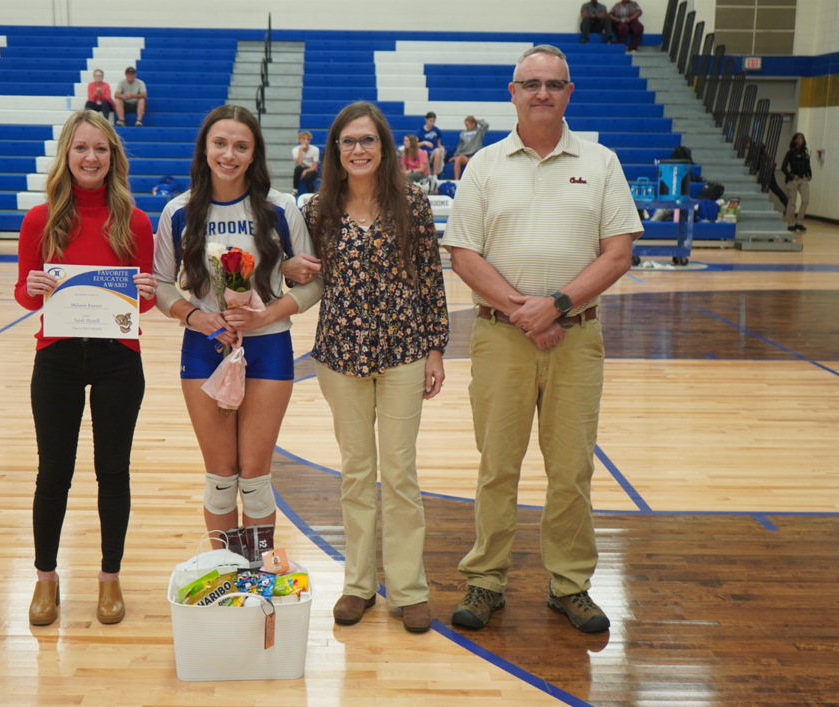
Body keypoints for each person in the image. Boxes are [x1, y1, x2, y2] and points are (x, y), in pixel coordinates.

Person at [444, 45, 642, 634]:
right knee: (497, 466)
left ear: (569, 93)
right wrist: (523, 311)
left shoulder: (601, 162)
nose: (542, 93)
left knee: (572, 469)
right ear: (512, 92)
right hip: (500, 337)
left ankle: (570, 584)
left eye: (553, 84)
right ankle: (486, 579)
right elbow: (462, 254)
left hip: (576, 338)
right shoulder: (484, 165)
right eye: (531, 83)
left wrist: (556, 305)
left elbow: (619, 253)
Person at [301, 102, 449, 634]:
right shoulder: (316, 210)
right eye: (348, 141)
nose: (358, 149)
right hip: (340, 355)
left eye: (367, 140)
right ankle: (359, 584)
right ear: (335, 151)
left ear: (384, 147)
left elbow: (430, 277)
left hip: (404, 352)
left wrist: (436, 347)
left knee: (401, 472)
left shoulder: (413, 201)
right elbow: (302, 275)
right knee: (356, 472)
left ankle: (409, 589)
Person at [152, 105, 323, 565]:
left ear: (254, 154)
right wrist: (196, 317)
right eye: (220, 144)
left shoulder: (281, 208)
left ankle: (258, 576)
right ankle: (229, 573)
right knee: (220, 477)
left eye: (241, 146)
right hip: (205, 346)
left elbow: (313, 284)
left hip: (269, 346)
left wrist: (266, 315)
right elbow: (162, 286)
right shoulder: (178, 211)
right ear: (205, 149)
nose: (229, 155)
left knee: (255, 477)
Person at [14, 111, 158, 627]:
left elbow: (143, 304)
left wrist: (145, 291)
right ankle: (45, 578)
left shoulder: (136, 221)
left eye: (100, 148)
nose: (90, 158)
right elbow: (24, 295)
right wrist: (33, 287)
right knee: (53, 472)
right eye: (81, 148)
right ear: (67, 155)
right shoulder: (40, 219)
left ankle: (109, 577)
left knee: (112, 471)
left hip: (118, 357)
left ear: (113, 156)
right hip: (56, 356)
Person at [781, 132, 811, 232]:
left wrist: (810, 173)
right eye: (798, 138)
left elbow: (808, 164)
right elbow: (783, 167)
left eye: (802, 138)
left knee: (806, 200)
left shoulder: (805, 151)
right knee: (792, 202)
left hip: (803, 179)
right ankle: (790, 222)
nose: (800, 140)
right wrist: (790, 176)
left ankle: (799, 222)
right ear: (794, 140)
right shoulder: (791, 152)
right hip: (794, 179)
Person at [449, 115, 489, 180]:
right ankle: (457, 180)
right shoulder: (463, 133)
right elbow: (460, 146)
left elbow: (486, 125)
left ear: (473, 124)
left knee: (472, 161)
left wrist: (477, 121)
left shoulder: (479, 131)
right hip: (464, 155)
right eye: (465, 125)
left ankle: (472, 181)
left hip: (475, 154)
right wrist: (456, 156)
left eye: (467, 125)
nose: (466, 126)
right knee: (458, 159)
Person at [416, 111, 445, 182]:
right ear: (426, 120)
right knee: (424, 153)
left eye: (433, 121)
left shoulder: (436, 130)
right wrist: (424, 142)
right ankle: (429, 175)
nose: (432, 123)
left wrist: (441, 147)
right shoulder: (420, 131)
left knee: (438, 151)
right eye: (430, 121)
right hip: (423, 151)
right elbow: (415, 144)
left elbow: (438, 143)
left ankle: (435, 175)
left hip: (433, 151)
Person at [292, 130, 319, 196]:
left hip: (311, 169)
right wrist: (300, 150)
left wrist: (306, 171)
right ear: (300, 140)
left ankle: (311, 193)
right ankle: (295, 190)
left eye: (308, 139)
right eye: (304, 139)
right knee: (297, 169)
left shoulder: (315, 149)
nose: (306, 141)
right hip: (302, 168)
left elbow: (315, 167)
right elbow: (299, 164)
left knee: (307, 177)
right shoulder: (295, 150)